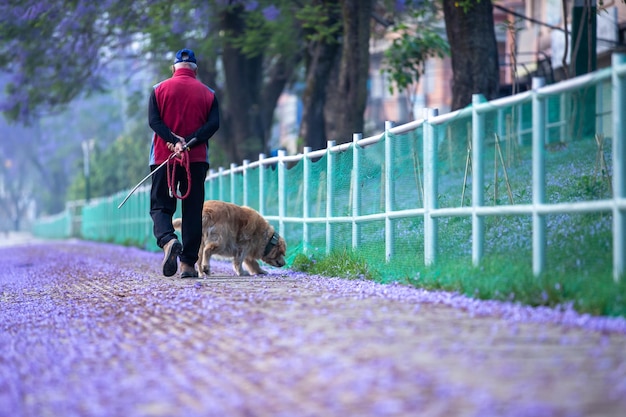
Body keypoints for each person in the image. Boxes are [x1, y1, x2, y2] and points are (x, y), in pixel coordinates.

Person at [148, 48, 219, 278]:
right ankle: (188, 265)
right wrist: (188, 142)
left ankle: (168, 240)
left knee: (160, 206)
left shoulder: (158, 90)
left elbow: (154, 122)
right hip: (195, 159)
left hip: (163, 158)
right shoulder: (209, 94)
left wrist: (173, 140)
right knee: (192, 211)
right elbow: (213, 125)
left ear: (173, 69)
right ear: (195, 70)